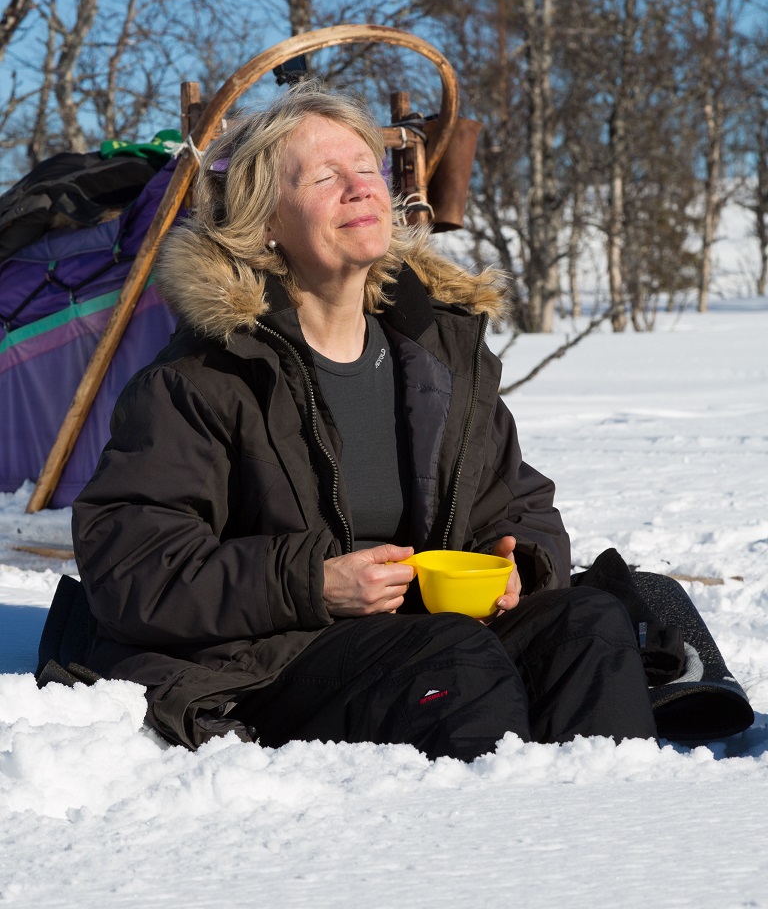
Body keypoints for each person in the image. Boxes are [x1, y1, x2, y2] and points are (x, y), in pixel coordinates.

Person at [72, 82, 657, 756]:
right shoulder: (203, 379)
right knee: (456, 660)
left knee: (588, 622)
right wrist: (313, 582)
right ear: (265, 222)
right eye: (325, 177)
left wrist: (519, 560)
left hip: (433, 638)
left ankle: (616, 831)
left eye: (366, 170)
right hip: (277, 662)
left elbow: (518, 500)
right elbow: (133, 571)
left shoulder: (439, 357)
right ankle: (494, 850)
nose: (360, 188)